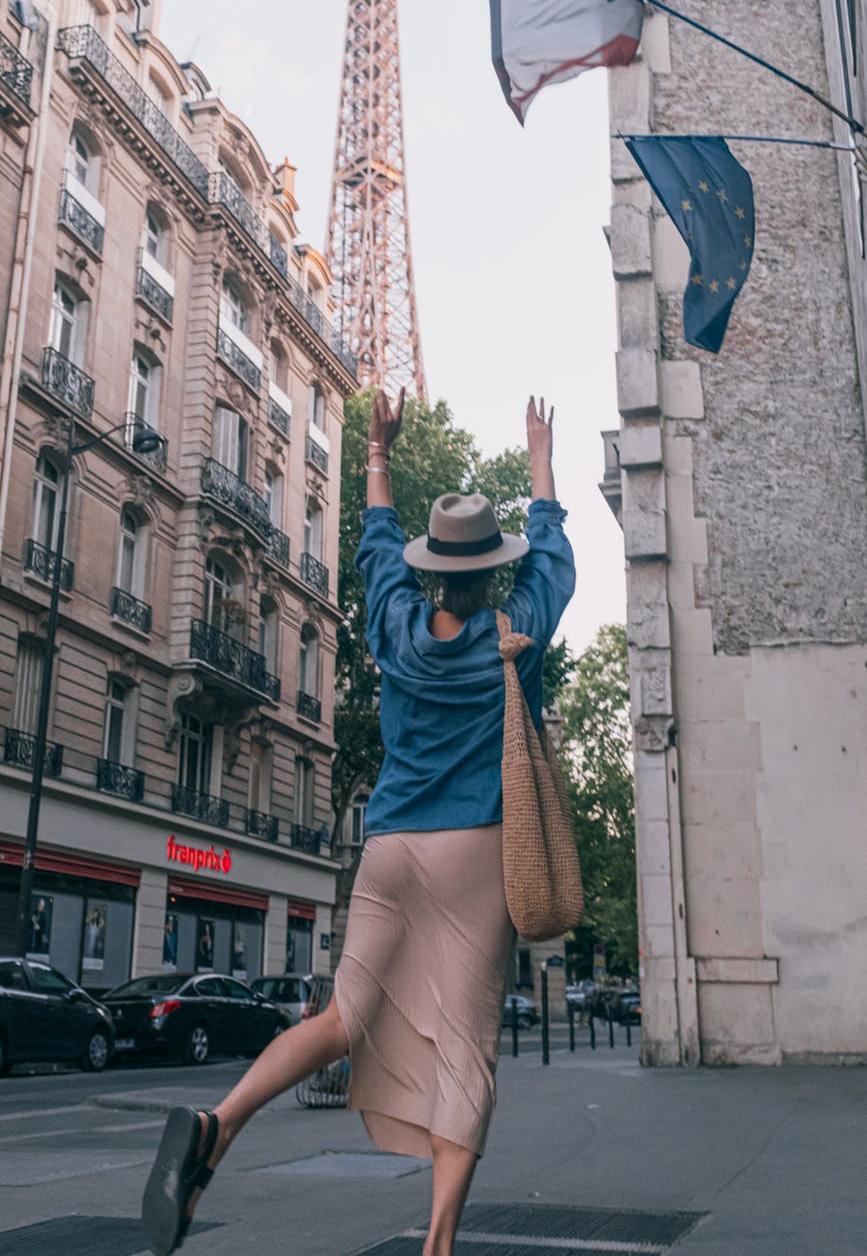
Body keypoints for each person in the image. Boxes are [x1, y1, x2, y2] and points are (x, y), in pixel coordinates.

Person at [141, 393, 575, 1256]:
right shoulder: (512, 631)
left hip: (387, 844)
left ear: (430, 573)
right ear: (490, 574)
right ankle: (437, 1246)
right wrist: (537, 458)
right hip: (474, 848)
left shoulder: (396, 623)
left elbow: (375, 545)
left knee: (342, 1017)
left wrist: (376, 451)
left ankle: (217, 1123)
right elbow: (555, 557)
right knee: (466, 1052)